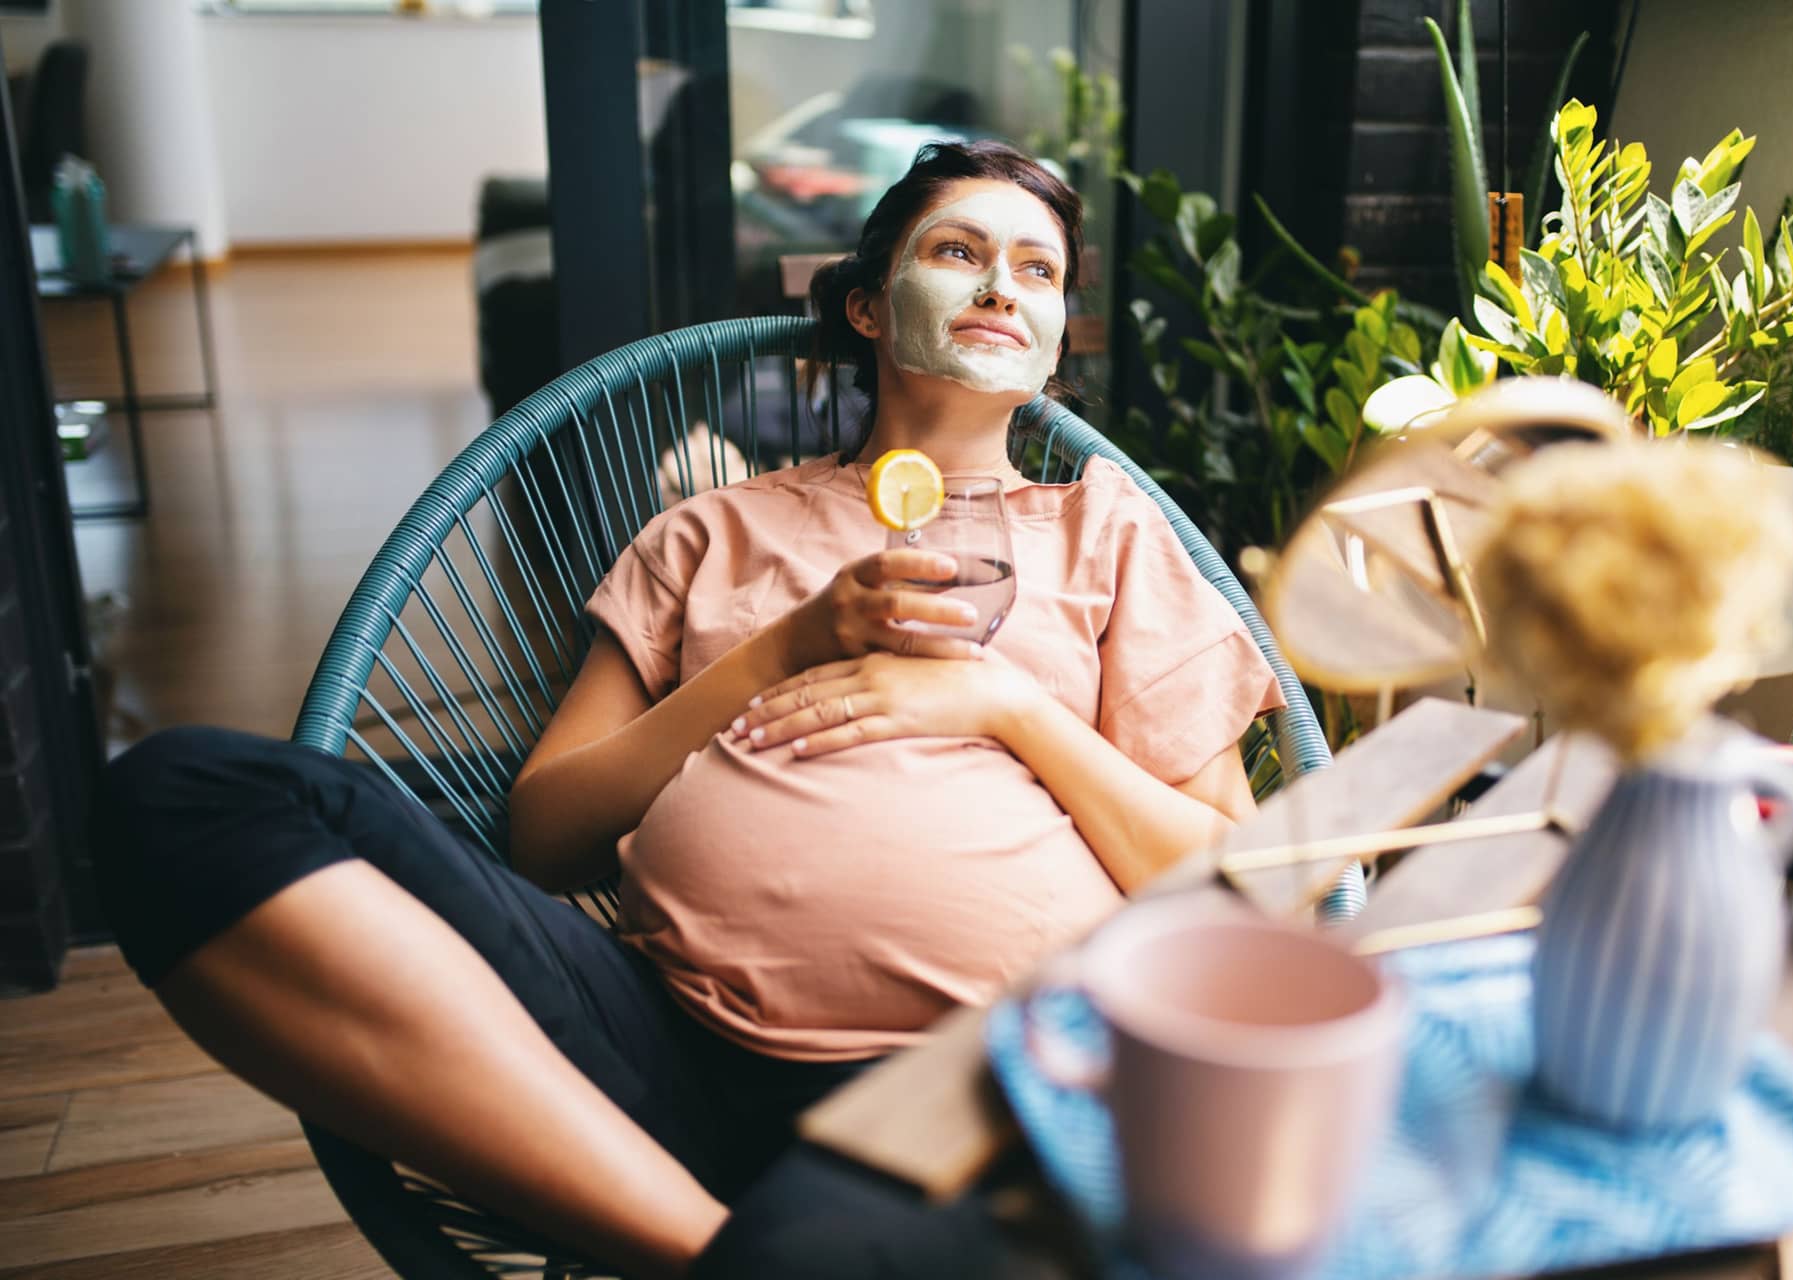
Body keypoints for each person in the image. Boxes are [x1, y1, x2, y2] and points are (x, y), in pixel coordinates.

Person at [92, 142, 1283, 1278]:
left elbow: (1230, 878)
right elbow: (545, 834)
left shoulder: (1106, 532)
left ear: (1051, 344)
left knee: (869, 1249)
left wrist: (1004, 705)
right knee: (183, 794)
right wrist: (785, 645)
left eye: (1036, 270)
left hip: (971, 1083)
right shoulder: (708, 531)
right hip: (656, 1042)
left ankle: (722, 1250)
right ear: (865, 306)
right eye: (957, 251)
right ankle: (721, 1253)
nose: (998, 287)